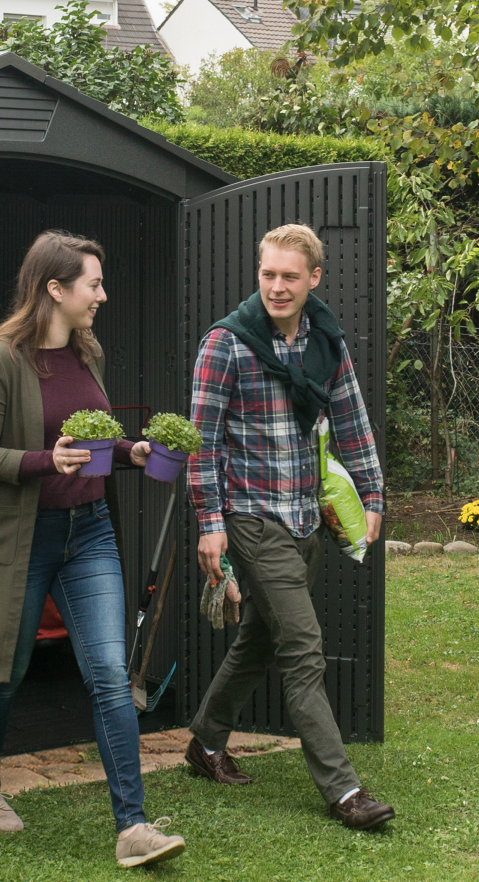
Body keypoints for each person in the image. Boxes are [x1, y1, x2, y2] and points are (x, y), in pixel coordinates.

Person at [0, 230, 187, 867]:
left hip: (90, 536)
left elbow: (90, 442)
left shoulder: (88, 354)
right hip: (23, 540)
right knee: (5, 672)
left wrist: (130, 452)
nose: (102, 295)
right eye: (93, 284)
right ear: (54, 289)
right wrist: (41, 460)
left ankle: (133, 826)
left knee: (109, 675)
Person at [183, 223, 395, 831]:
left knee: (260, 640)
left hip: (306, 518)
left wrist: (373, 492)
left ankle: (205, 742)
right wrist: (210, 523)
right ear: (259, 274)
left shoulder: (326, 340)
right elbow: (201, 445)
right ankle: (344, 790)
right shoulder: (226, 344)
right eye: (268, 274)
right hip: (251, 518)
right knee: (303, 648)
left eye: (290, 277)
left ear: (314, 280)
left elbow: (351, 419)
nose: (277, 287)